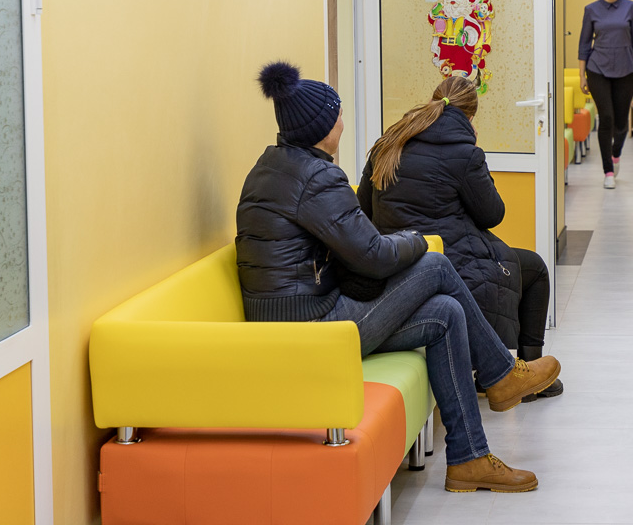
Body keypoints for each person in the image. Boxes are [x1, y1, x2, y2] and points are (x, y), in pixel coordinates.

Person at [235, 61, 561, 493]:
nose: (343, 123)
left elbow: (358, 234)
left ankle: (469, 459)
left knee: (445, 313)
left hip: (292, 316)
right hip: (311, 326)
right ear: (322, 127)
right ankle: (502, 374)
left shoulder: (274, 166)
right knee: (436, 264)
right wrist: (417, 240)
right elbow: (373, 256)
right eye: (338, 116)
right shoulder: (316, 178)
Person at [356, 76, 563, 401]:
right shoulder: (464, 153)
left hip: (393, 267)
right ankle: (525, 373)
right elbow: (492, 214)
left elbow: (363, 210)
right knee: (534, 268)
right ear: (470, 115)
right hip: (448, 265)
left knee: (517, 264)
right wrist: (477, 157)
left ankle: (509, 370)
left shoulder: (389, 143)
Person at [577, 0, 633, 189]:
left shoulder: (630, 7)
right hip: (598, 69)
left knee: (621, 123)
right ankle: (608, 170)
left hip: (626, 69)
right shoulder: (591, 10)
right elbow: (584, 44)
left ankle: (616, 153)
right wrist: (582, 75)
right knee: (606, 118)